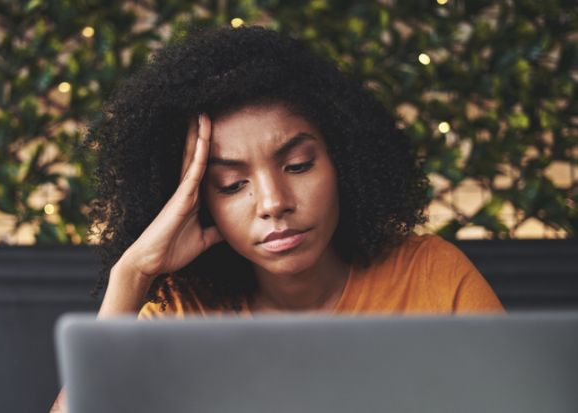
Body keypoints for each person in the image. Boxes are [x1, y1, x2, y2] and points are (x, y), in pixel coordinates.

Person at [50, 25, 503, 412]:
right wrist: (132, 275)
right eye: (231, 184)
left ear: (342, 161)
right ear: (200, 203)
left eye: (299, 165)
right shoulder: (182, 315)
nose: (272, 202)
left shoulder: (432, 278)